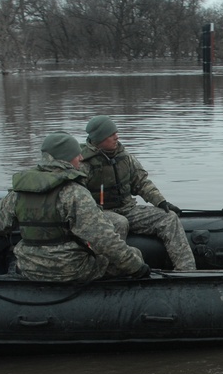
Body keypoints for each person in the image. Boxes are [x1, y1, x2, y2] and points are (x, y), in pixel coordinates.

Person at [0, 132, 150, 282]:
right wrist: (136, 267)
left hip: (29, 268)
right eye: (76, 154)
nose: (80, 157)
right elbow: (104, 239)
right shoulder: (73, 193)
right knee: (135, 254)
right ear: (65, 158)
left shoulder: (19, 192)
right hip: (70, 270)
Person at [79, 115, 197, 271]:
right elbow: (77, 198)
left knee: (169, 218)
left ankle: (187, 271)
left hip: (128, 209)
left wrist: (160, 201)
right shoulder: (83, 164)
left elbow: (141, 182)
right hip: (100, 214)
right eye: (111, 134)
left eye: (116, 132)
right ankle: (113, 271)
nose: (117, 137)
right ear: (100, 139)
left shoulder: (125, 157)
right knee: (120, 222)